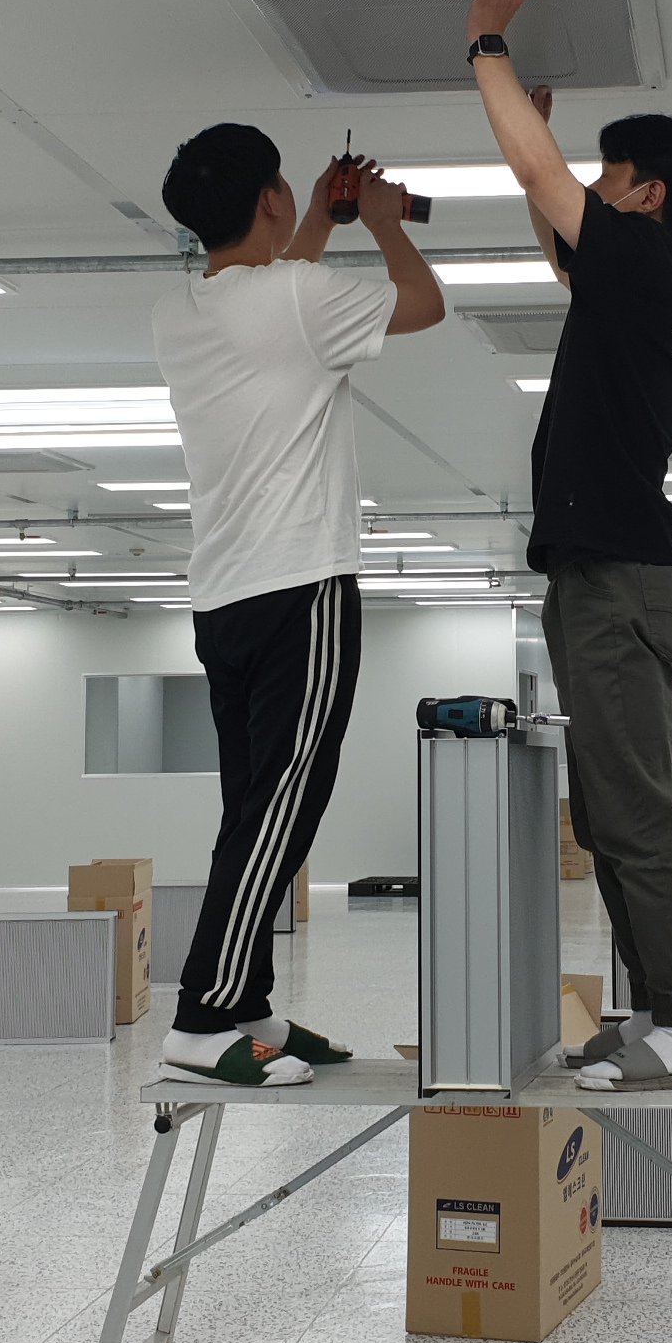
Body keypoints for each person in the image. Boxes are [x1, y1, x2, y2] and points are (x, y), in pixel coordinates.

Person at [464, 0, 672, 1092]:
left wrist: (488, 49)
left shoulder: (653, 264)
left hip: (617, 576)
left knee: (634, 812)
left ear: (646, 194)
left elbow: (543, 181)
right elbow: (560, 231)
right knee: (606, 815)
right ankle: (658, 1012)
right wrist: (539, 149)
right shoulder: (651, 280)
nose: (594, 188)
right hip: (599, 573)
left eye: (609, 176)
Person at [150, 124, 445, 1084]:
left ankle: (248, 1004)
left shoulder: (180, 311)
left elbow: (279, 294)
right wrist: (386, 223)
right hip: (300, 586)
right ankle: (200, 1020)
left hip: (224, 597)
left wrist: (317, 216)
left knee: (254, 809)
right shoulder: (297, 297)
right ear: (270, 198)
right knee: (282, 807)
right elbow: (425, 304)